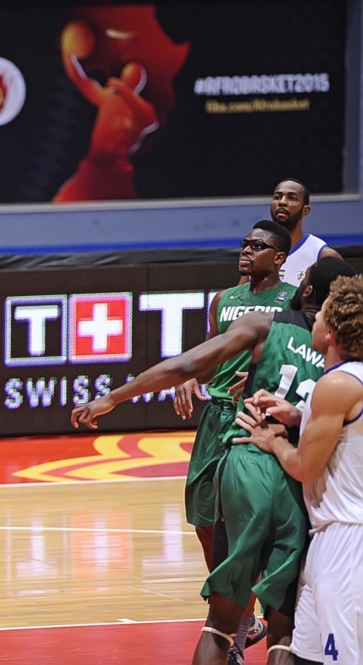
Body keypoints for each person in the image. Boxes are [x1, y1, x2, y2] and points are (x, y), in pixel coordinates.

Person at [71, 256, 358, 665]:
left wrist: (112, 397)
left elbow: (186, 365)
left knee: (220, 622)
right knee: (283, 629)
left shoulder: (265, 323)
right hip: (302, 484)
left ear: (308, 290)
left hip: (250, 464)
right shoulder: (348, 366)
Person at [172, 221, 296, 662]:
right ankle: (241, 609)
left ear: (279, 258)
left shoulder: (292, 300)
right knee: (204, 519)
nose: (246, 250)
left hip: (255, 418)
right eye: (243, 244)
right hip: (216, 415)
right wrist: (191, 379)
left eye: (257, 246)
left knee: (251, 523)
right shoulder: (224, 300)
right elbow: (211, 356)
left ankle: (238, 629)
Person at [234, 274, 363, 665]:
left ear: (335, 330)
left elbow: (305, 467)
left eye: (322, 314)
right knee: (304, 656)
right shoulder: (346, 384)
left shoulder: (337, 384)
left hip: (347, 539)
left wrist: (272, 440)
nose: (315, 318)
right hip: (330, 536)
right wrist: (296, 413)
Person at [53, 42, 158, 203]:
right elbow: (80, 80)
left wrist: (121, 87)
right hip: (94, 169)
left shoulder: (143, 111)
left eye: (131, 77)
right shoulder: (108, 98)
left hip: (119, 173)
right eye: (126, 75)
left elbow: (152, 120)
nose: (126, 79)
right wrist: (67, 55)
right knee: (61, 202)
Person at [268, 179, 342, 286]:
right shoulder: (255, 250)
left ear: (305, 210)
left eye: (292, 198)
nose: (282, 202)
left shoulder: (323, 254)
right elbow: (239, 297)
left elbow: (346, 298)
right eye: (277, 197)